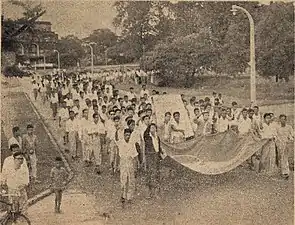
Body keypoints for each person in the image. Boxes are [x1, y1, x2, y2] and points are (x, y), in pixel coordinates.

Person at [1, 145, 29, 213]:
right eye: (14, 150)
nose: (15, 152)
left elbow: (26, 172)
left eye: (17, 150)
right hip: (12, 185)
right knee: (13, 203)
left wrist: (25, 183)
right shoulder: (7, 160)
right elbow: (4, 172)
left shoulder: (22, 159)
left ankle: (23, 217)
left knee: (23, 203)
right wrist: (2, 181)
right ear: (11, 151)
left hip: (21, 186)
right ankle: (13, 217)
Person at [117, 129, 139, 207]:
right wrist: (117, 165)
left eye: (129, 135)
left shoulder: (132, 144)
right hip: (123, 162)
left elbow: (135, 155)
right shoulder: (121, 143)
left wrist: (136, 166)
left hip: (130, 163)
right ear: (124, 135)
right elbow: (118, 155)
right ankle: (123, 196)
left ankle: (129, 197)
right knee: (123, 180)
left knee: (131, 181)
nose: (127, 137)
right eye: (126, 135)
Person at [143, 123, 164, 198]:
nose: (153, 129)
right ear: (149, 129)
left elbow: (158, 146)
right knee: (149, 173)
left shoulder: (157, 137)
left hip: (156, 156)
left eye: (154, 128)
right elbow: (145, 134)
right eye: (151, 128)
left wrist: (161, 153)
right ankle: (148, 192)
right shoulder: (147, 137)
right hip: (150, 156)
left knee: (156, 173)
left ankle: (156, 192)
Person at [276, 115, 294, 179]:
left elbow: (292, 134)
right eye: (281, 119)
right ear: (279, 120)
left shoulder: (289, 127)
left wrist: (290, 138)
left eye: (284, 119)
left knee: (285, 157)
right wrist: (279, 141)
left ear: (286, 120)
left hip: (287, 144)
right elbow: (276, 135)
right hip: (280, 144)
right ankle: (282, 171)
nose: (283, 121)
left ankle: (285, 172)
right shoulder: (278, 127)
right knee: (281, 157)